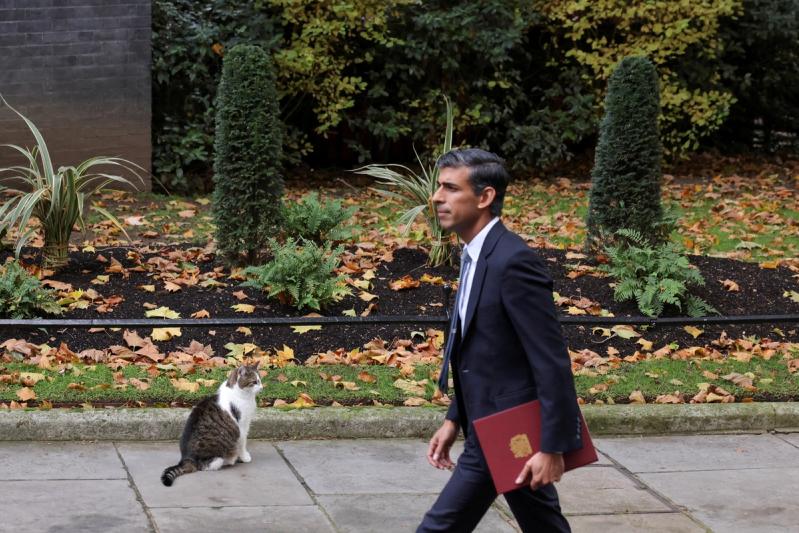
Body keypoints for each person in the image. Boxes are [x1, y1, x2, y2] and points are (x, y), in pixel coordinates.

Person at [417, 148, 582, 532]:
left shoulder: (513, 261)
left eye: (449, 188)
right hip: (493, 427)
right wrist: (455, 418)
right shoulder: (476, 255)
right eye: (438, 187)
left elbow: (551, 359)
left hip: (510, 431)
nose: (437, 197)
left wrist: (553, 447)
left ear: (485, 197)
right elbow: (479, 352)